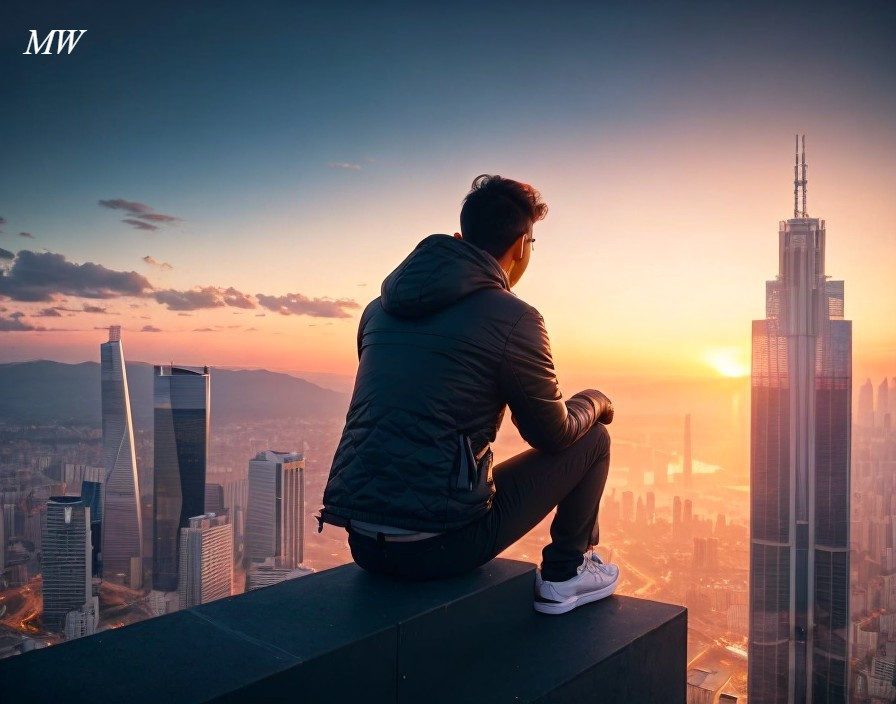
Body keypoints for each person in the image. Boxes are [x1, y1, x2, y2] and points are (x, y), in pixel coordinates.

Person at [318, 174, 618, 615]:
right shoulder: (515, 318)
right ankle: (565, 574)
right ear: (521, 246)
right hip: (439, 545)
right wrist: (595, 400)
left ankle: (568, 571)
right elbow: (552, 435)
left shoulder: (377, 312)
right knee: (593, 440)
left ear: (460, 238)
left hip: (361, 542)